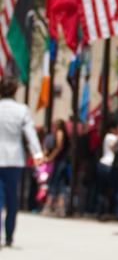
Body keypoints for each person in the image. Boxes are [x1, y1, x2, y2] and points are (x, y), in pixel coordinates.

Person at [0, 76, 44, 247]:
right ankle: (9, 235)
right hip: (14, 159)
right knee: (12, 199)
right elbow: (30, 133)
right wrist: (37, 153)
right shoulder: (21, 110)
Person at [95, 121, 118, 219]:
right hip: (108, 165)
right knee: (109, 190)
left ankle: (101, 211)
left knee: (102, 190)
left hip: (103, 164)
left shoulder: (107, 137)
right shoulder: (111, 136)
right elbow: (113, 147)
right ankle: (106, 212)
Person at [43, 118, 70, 217]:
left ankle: (48, 205)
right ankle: (60, 208)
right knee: (62, 184)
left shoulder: (59, 132)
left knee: (54, 182)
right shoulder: (62, 133)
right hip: (63, 161)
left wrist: (51, 157)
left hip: (60, 161)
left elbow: (59, 146)